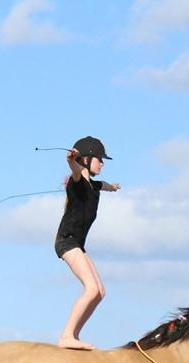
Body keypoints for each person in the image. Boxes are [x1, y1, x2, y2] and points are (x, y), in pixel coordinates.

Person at [53, 135, 120, 350]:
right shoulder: (79, 183)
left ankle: (74, 335)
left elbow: (103, 186)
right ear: (87, 159)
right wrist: (71, 160)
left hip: (77, 244)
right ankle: (66, 336)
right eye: (99, 159)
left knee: (100, 291)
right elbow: (74, 170)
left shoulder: (93, 185)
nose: (102, 163)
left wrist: (113, 187)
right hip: (67, 242)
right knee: (91, 289)